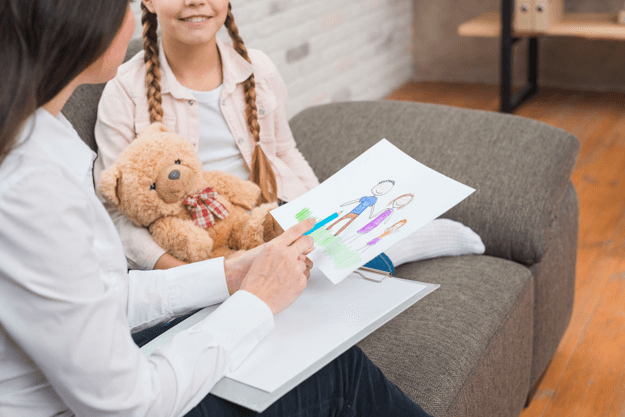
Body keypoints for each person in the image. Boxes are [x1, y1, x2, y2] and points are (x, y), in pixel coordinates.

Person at [0, 1, 432, 416]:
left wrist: (232, 274)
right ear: (78, 22)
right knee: (338, 371)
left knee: (341, 269)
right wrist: (256, 301)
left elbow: (104, 292)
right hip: (98, 399)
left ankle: (405, 241)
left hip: (243, 225)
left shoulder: (43, 134)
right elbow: (129, 404)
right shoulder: (33, 191)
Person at [94, 0, 485, 275]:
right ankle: (383, 255)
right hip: (194, 246)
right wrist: (178, 272)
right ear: (147, 0)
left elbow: (285, 151)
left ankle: (383, 246)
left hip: (266, 216)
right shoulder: (123, 91)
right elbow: (114, 210)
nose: (195, 2)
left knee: (315, 246)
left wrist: (321, 214)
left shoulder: (257, 68)